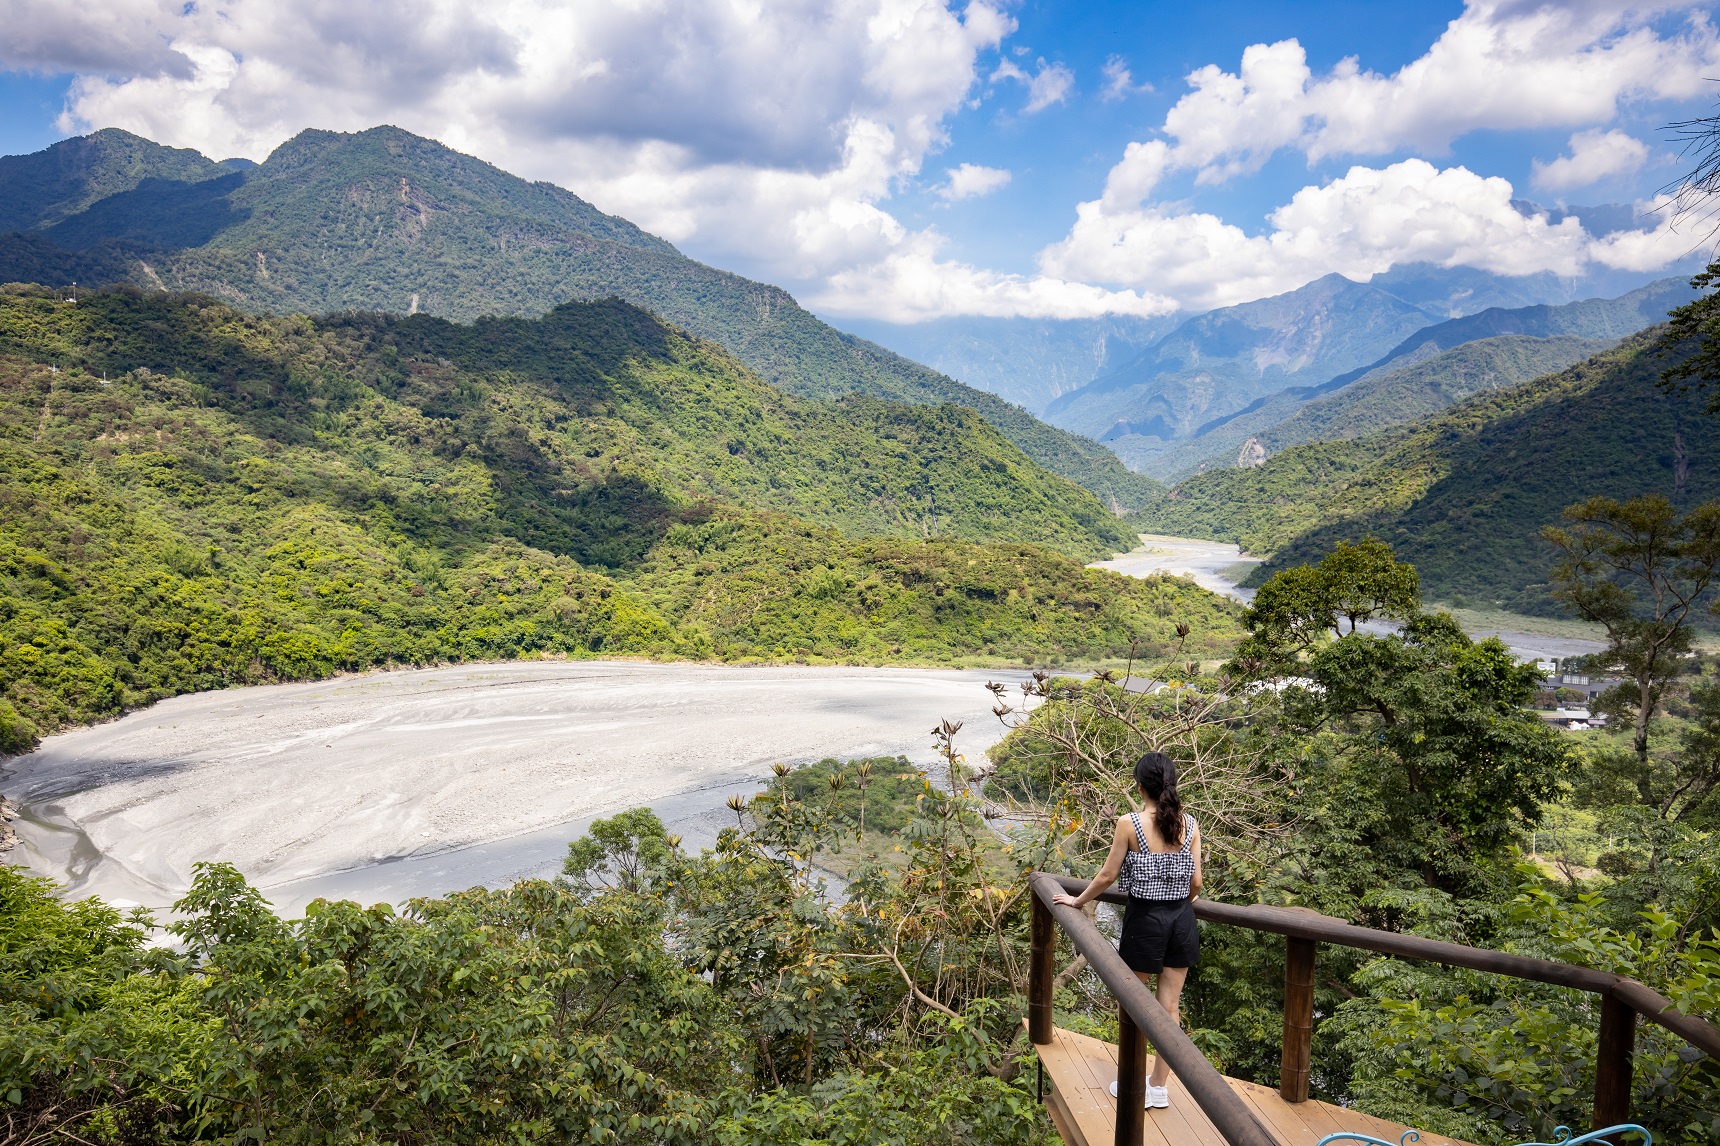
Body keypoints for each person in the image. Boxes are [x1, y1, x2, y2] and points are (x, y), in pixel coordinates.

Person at [1052, 750, 1201, 1110]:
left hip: (1145, 922)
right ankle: (1159, 1088)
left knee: (1133, 1004)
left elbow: (1107, 875)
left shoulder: (1129, 823)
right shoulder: (1191, 824)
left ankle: (1134, 1082)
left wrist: (1076, 901)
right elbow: (1196, 882)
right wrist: (1184, 904)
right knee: (1170, 1008)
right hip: (1181, 920)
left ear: (1140, 786)